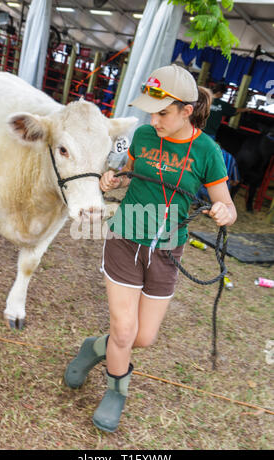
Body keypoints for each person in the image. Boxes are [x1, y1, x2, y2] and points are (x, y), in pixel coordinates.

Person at [64, 65, 237, 433]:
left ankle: (93, 348)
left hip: (167, 252)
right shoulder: (142, 136)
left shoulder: (207, 151)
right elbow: (125, 171)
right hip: (125, 240)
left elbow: (228, 207)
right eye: (150, 112)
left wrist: (224, 211)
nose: (153, 119)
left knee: (143, 338)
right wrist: (112, 179)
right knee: (124, 331)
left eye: (162, 113)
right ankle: (116, 392)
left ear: (186, 111)